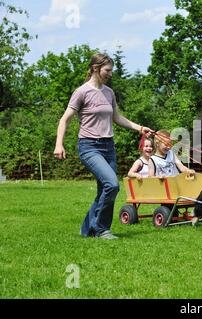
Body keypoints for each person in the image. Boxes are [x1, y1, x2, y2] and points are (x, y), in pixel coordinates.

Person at [53, 53, 154, 239]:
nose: (110, 74)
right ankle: (101, 229)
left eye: (111, 70)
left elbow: (117, 118)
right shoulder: (81, 92)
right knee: (112, 185)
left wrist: (139, 128)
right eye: (107, 70)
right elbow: (64, 119)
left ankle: (87, 230)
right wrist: (59, 144)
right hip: (89, 146)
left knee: (104, 190)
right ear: (95, 68)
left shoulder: (109, 92)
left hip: (109, 147)